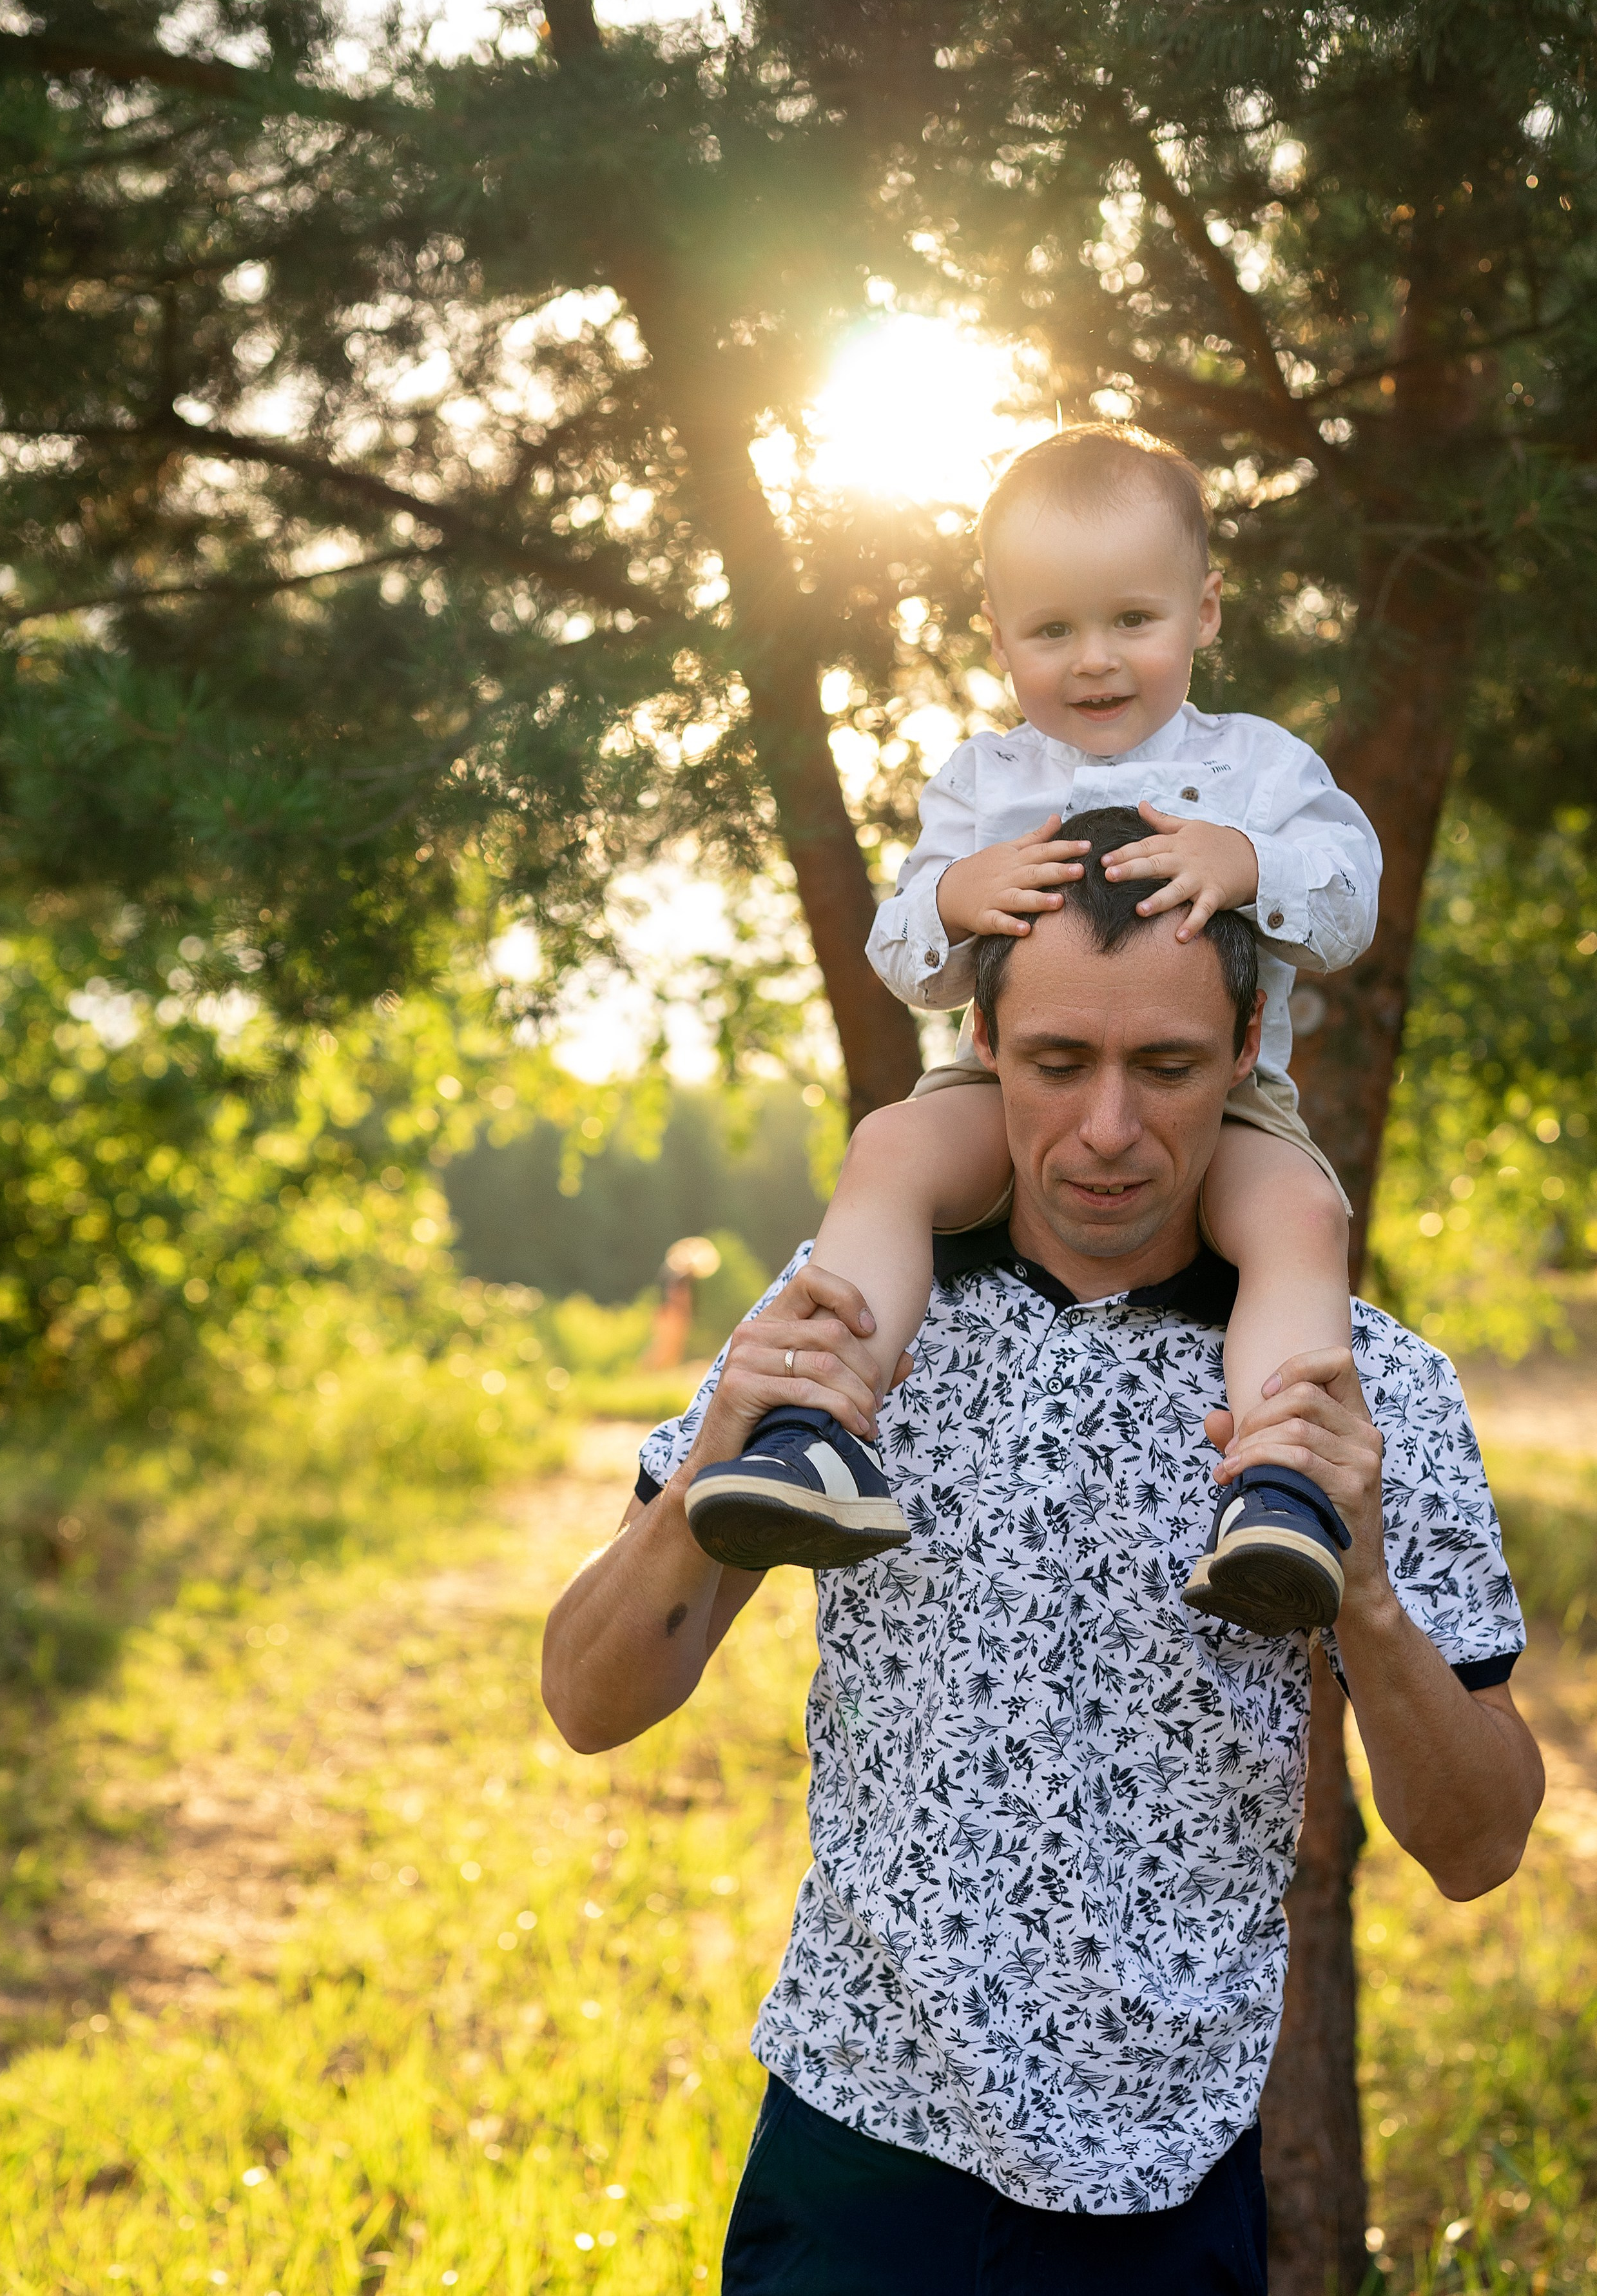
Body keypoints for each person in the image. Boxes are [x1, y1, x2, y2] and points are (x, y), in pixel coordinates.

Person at [541, 862, 1542, 2295]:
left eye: (1169, 1065)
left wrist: (1365, 1595)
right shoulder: (850, 1318)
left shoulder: (1358, 1384)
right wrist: (704, 1471)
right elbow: (584, 1702)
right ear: (983, 1049)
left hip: (1164, 2179)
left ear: (1248, 1051)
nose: (1109, 1129)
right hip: (855, 2144)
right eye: (1058, 1062)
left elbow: (1479, 1845)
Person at [684, 425, 1381, 1640]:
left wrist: (1253, 859)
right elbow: (907, 961)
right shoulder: (981, 783)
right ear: (1001, 638)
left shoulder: (1259, 769)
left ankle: (1281, 1488)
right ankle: (815, 1433)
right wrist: (950, 901)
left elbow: (1349, 907)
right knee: (890, 1150)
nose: (1096, 661)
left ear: (1205, 611)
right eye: (1052, 631)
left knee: (1301, 1219)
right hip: (1002, 1084)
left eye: (1133, 620)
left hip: (1222, 1104)